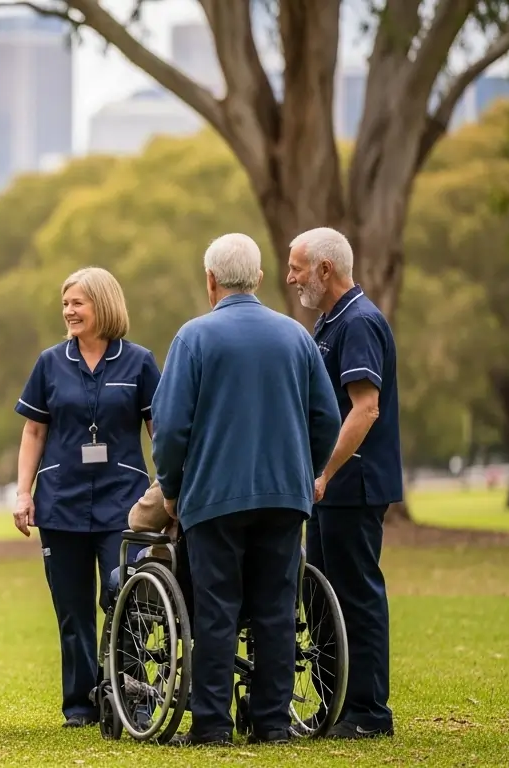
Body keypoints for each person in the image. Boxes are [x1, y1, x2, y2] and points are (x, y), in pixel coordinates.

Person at [152, 233, 340, 746]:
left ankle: (211, 724)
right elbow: (326, 418)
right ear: (257, 279)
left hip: (214, 497)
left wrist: (171, 487)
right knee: (277, 609)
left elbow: (170, 430)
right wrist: (308, 470)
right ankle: (272, 722)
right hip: (284, 496)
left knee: (216, 609)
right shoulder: (297, 337)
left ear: (210, 281)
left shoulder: (193, 338)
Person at [12, 266, 160, 728]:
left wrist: (168, 488)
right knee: (72, 610)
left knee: (129, 600)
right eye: (65, 304)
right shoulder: (50, 363)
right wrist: (22, 493)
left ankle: (129, 695)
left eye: (78, 302)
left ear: (104, 304)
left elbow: (160, 432)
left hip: (125, 505)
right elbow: (34, 430)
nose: (69, 311)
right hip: (61, 504)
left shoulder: (140, 362)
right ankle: (79, 704)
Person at [287, 227, 402, 740]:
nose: (290, 277)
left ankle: (369, 714)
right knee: (323, 597)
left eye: (296, 267)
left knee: (356, 596)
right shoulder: (329, 324)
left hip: (352, 486)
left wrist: (324, 473)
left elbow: (366, 408)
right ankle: (335, 705)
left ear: (325, 270)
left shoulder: (358, 322)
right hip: (330, 490)